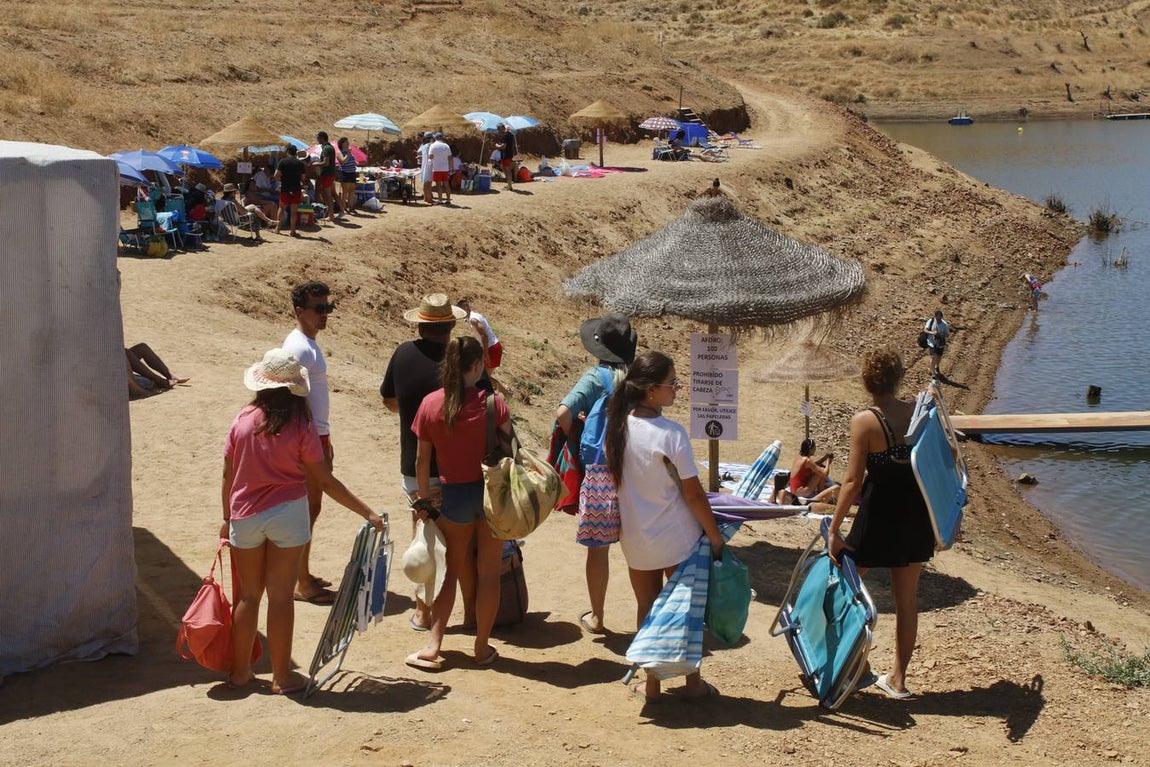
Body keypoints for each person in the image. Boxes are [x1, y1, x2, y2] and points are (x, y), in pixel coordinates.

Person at [222, 348, 383, 694]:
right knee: (281, 597)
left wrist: (226, 518)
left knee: (248, 597)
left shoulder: (242, 420)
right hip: (288, 514)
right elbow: (324, 480)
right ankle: (282, 676)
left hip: (245, 515)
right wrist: (366, 512)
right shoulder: (301, 425)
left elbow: (228, 474)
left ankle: (240, 673)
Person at [604, 350, 724, 702]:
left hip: (636, 537)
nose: (677, 389)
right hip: (676, 538)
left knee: (647, 607)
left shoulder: (618, 428)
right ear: (651, 390)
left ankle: (652, 684)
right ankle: (692, 683)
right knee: (686, 611)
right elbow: (693, 493)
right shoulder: (671, 433)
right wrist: (715, 536)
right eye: (673, 383)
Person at [827, 347, 934, 700]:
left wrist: (834, 529)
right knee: (907, 601)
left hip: (878, 515)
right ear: (898, 378)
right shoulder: (918, 413)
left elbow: (852, 482)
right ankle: (898, 680)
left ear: (866, 381)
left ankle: (855, 666)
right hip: (914, 515)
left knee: (844, 591)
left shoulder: (865, 421)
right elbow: (940, 463)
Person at [407, 336, 512, 671]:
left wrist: (424, 499)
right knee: (488, 574)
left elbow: (422, 461)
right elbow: (511, 451)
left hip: (454, 496)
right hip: (491, 497)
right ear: (477, 365)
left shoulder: (431, 404)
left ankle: (434, 644)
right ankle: (481, 647)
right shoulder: (494, 404)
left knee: (449, 571)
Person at [380, 293, 466, 631]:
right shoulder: (459, 359)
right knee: (458, 541)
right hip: (456, 465)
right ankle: (467, 613)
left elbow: (389, 400)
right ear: (451, 325)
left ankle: (423, 612)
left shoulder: (403, 353)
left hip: (413, 463)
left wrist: (415, 414)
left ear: (419, 325)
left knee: (423, 538)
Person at [554, 313, 638, 635]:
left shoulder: (595, 378)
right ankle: (646, 616)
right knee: (638, 550)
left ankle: (598, 617)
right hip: (635, 471)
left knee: (598, 550)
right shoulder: (638, 381)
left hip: (600, 473)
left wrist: (576, 434)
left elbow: (563, 412)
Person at [282, 282, 337, 604]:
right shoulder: (299, 348)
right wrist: (313, 443)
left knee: (310, 509)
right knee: (307, 510)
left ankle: (302, 573)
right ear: (299, 311)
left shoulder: (307, 344)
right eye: (319, 309)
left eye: (328, 307)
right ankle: (300, 581)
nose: (325, 314)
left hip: (316, 435)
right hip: (308, 438)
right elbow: (291, 398)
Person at [784, 438, 835, 503]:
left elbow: (814, 466)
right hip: (802, 492)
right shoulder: (807, 461)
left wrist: (824, 458)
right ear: (810, 449)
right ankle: (821, 494)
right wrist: (828, 462)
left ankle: (821, 491)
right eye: (814, 448)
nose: (815, 449)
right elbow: (825, 474)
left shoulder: (799, 457)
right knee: (821, 472)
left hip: (794, 490)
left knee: (819, 470)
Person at [456, 299, 501, 372]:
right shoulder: (472, 316)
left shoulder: (473, 320)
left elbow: (484, 336)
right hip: (489, 347)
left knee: (485, 375)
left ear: (466, 308)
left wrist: (486, 353)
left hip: (491, 348)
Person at [274, 145, 307, 237]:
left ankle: (277, 229)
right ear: (296, 152)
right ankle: (292, 231)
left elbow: (276, 175)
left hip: (285, 188)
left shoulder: (282, 162)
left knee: (281, 208)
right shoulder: (300, 163)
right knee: (294, 211)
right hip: (296, 189)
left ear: (288, 152)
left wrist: (282, 180)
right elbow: (303, 178)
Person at [312, 131, 338, 222]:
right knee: (328, 195)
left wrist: (316, 164)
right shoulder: (329, 147)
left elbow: (326, 163)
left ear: (322, 138)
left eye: (318, 138)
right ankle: (329, 214)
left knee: (328, 195)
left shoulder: (326, 148)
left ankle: (331, 215)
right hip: (329, 174)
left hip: (327, 174)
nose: (317, 139)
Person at [923, 309, 950, 378]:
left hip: (940, 343)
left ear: (941, 317)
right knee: (933, 357)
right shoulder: (931, 321)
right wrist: (932, 333)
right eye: (937, 318)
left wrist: (940, 335)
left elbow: (947, 334)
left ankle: (936, 366)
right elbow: (925, 330)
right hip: (932, 343)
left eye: (939, 318)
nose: (938, 320)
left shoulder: (944, 324)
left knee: (939, 357)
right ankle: (933, 372)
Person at [336, 137, 358, 217]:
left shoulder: (349, 152)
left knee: (352, 191)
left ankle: (351, 207)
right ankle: (343, 208)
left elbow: (351, 161)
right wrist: (348, 153)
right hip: (345, 173)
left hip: (352, 173)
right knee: (345, 192)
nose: (348, 143)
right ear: (342, 144)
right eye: (346, 142)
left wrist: (355, 162)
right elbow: (343, 161)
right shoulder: (339, 153)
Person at [427, 132, 452, 205]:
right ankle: (448, 200)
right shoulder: (446, 146)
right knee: (446, 184)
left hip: (436, 168)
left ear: (435, 138)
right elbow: (450, 157)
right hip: (445, 168)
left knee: (438, 185)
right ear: (442, 138)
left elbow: (430, 156)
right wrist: (450, 167)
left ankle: (440, 200)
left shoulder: (432, 146)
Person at [497, 123, 517, 191]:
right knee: (506, 170)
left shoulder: (504, 135)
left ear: (502, 128)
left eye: (498, 129)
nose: (498, 130)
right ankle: (509, 185)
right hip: (508, 155)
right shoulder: (510, 135)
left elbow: (503, 146)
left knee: (507, 171)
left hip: (506, 155)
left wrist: (497, 146)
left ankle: (510, 186)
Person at [417, 132, 434, 204]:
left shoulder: (423, 146)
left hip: (424, 165)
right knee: (429, 183)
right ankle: (429, 198)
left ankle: (425, 197)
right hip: (429, 165)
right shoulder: (430, 145)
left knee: (425, 182)